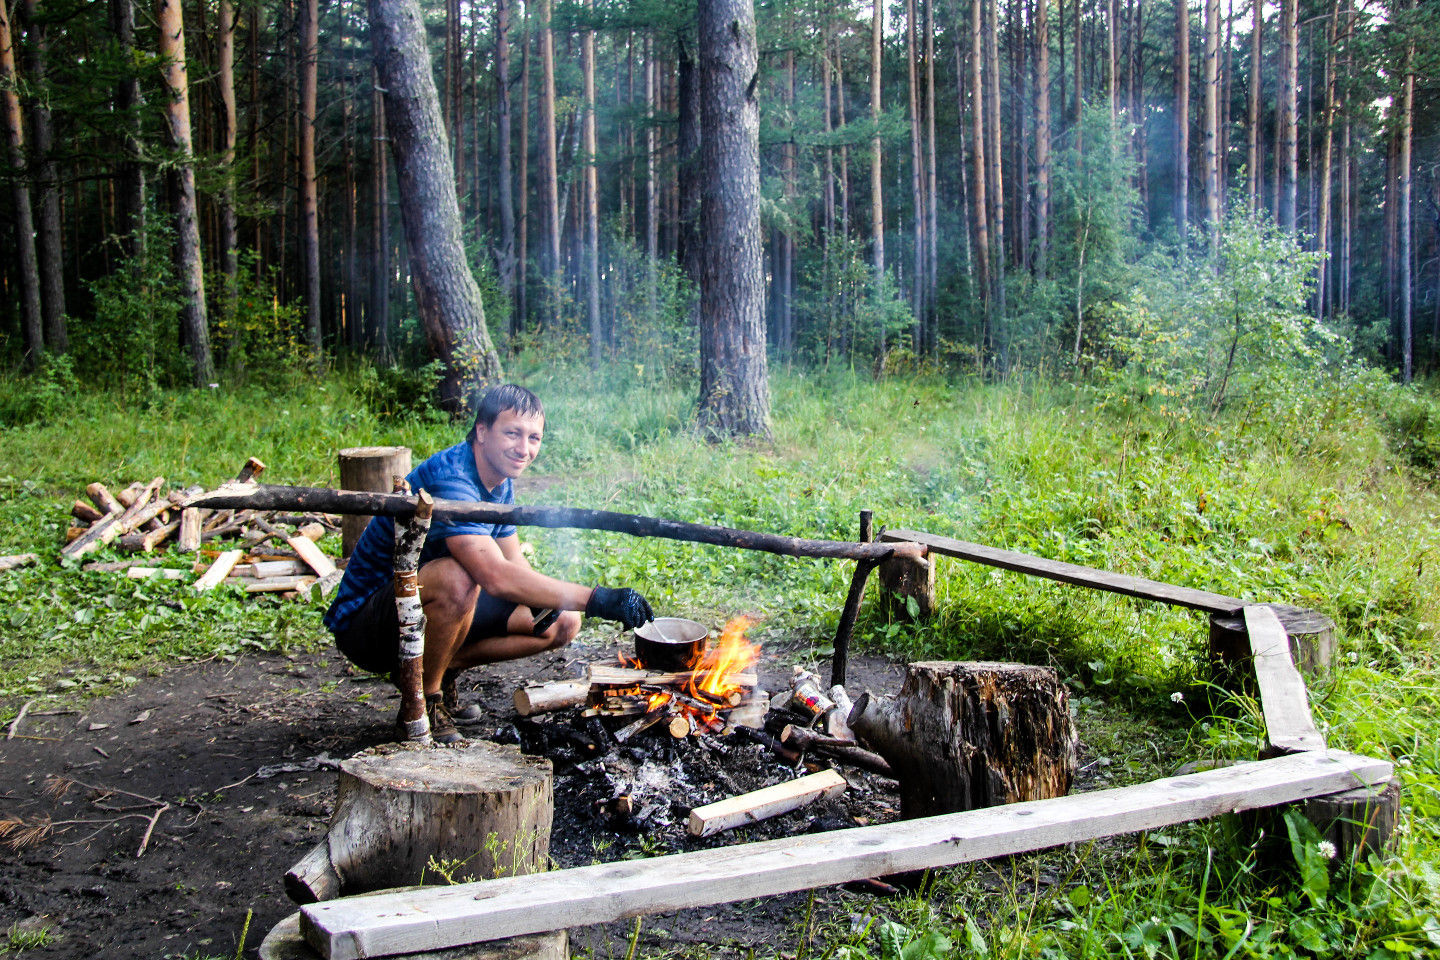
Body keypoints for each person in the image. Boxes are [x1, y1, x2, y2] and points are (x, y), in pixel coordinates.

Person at [324, 384, 656, 742]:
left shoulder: (498, 480)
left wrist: (555, 605)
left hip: (420, 612)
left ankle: (442, 665)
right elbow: (495, 576)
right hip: (367, 626)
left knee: (562, 623)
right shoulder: (452, 479)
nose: (524, 449)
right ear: (482, 431)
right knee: (459, 578)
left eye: (534, 438)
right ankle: (425, 700)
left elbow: (512, 561)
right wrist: (599, 598)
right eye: (512, 433)